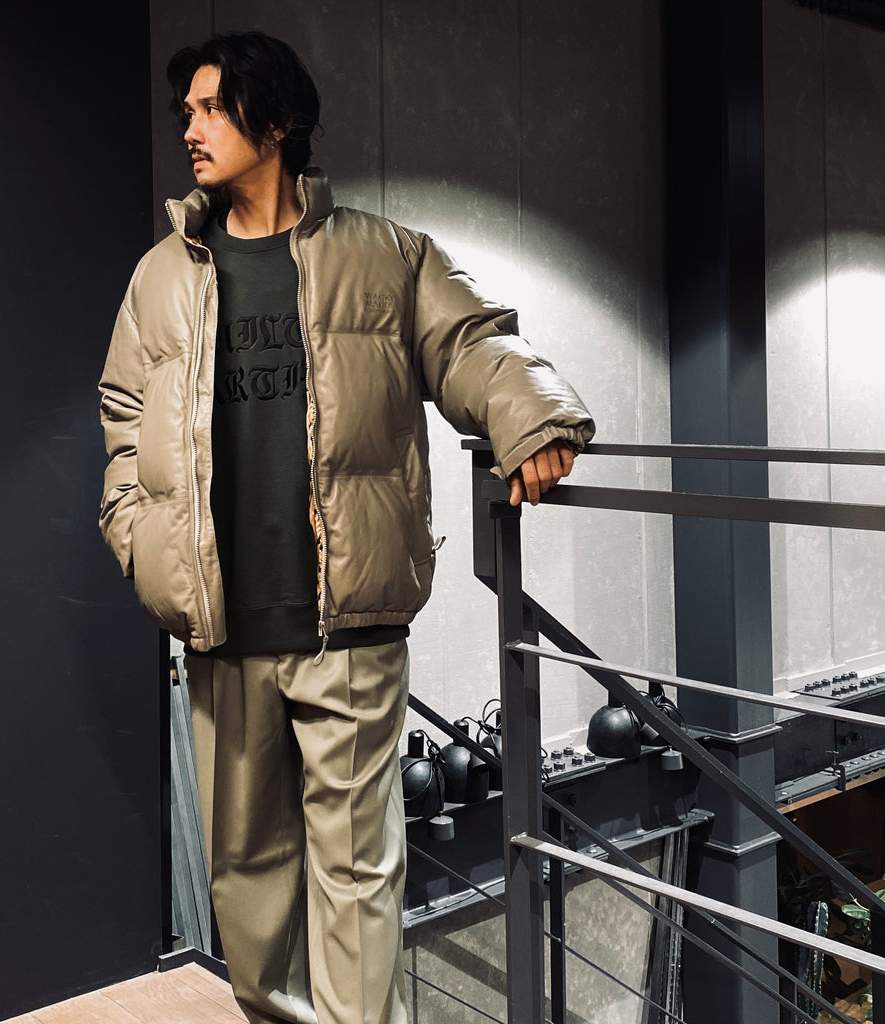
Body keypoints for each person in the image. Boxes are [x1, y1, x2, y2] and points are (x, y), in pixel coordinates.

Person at [98, 30, 595, 1024]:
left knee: (359, 879)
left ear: (276, 121)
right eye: (186, 112)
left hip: (350, 627)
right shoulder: (161, 276)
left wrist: (531, 418)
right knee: (247, 885)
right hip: (222, 630)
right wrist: (137, 536)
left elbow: (470, 342)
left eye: (212, 109)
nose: (191, 129)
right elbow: (122, 417)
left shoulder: (384, 255)